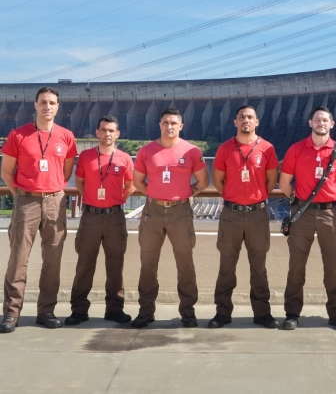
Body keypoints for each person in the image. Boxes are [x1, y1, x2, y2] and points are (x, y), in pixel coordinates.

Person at [0, 87, 77, 334]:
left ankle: (46, 311)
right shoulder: (18, 135)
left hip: (55, 202)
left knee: (52, 261)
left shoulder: (66, 136)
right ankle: (11, 314)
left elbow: (66, 172)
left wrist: (52, 191)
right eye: (43, 102)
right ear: (35, 105)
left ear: (57, 107)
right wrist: (20, 195)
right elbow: (6, 172)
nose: (48, 107)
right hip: (26, 202)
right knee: (18, 260)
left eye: (52, 103)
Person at [132, 108, 208, 328]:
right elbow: (138, 182)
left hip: (180, 212)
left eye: (174, 123)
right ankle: (146, 311)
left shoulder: (192, 151)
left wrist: (182, 195)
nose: (169, 126)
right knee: (148, 264)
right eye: (166, 122)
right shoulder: (146, 151)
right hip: (152, 212)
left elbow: (202, 182)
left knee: (185, 263)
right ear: (160, 124)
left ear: (181, 126)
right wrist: (156, 195)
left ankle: (188, 311)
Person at [279, 106, 336, 330]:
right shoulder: (296, 149)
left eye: (325, 120)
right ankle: (292, 313)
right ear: (310, 123)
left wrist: (326, 201)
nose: (321, 123)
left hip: (329, 213)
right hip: (302, 213)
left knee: (332, 266)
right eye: (317, 120)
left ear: (332, 124)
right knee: (296, 266)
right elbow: (284, 183)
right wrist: (298, 200)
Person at [209, 105, 279, 329]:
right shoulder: (225, 149)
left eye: (250, 117)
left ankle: (262, 313)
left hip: (258, 214)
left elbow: (270, 181)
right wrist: (234, 198)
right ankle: (222, 312)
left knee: (259, 266)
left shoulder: (267, 148)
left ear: (256, 122)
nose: (246, 120)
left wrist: (255, 198)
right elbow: (219, 181)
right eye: (242, 117)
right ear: (235, 122)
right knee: (226, 265)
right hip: (232, 215)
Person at [64, 116, 135, 326]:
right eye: (103, 130)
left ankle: (114, 309)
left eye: (111, 130)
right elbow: (79, 181)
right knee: (84, 264)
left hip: (115, 217)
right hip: (90, 217)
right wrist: (91, 198)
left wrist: (118, 199)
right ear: (97, 133)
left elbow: (131, 184)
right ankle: (78, 310)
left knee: (115, 265)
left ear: (117, 134)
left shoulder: (124, 158)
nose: (107, 134)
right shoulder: (86, 156)